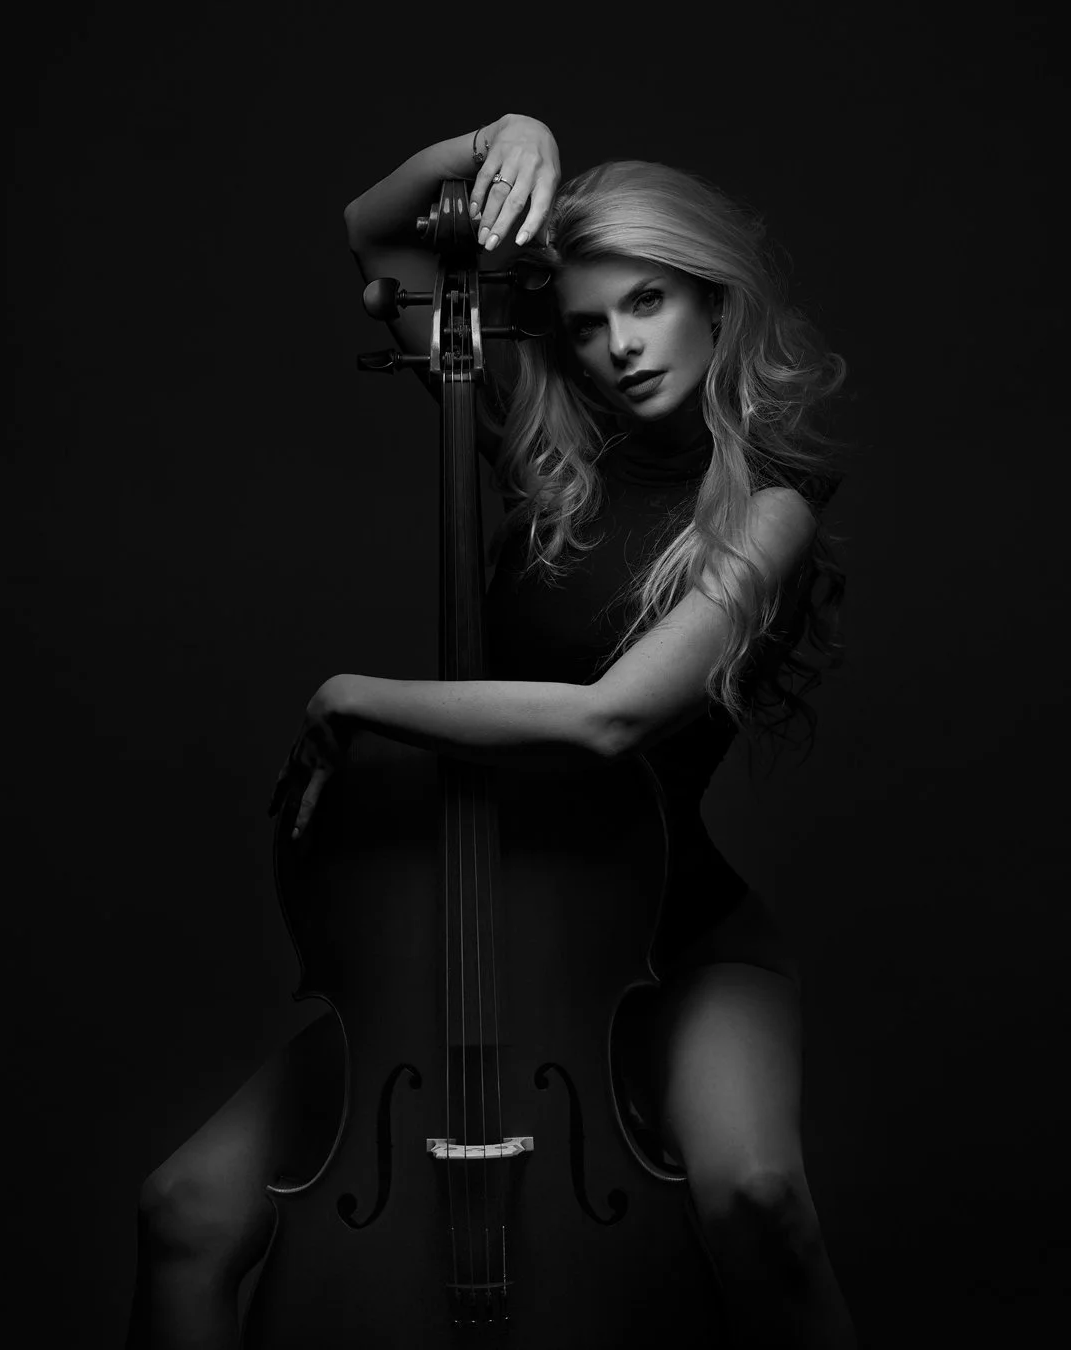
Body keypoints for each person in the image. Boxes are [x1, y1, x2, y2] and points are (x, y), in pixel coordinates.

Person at [126, 113, 859, 1349]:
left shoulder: (767, 513)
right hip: (484, 920)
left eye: (646, 303)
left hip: (672, 929)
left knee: (760, 1199)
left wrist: (353, 698)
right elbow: (377, 234)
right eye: (583, 322)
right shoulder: (544, 449)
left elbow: (612, 719)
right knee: (187, 1210)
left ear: (713, 302)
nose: (618, 347)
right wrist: (502, 136)